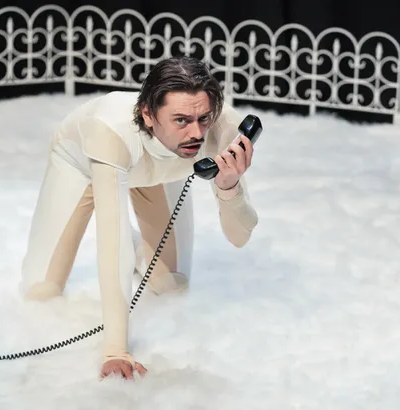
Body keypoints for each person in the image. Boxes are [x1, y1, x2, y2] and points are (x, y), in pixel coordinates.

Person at [19, 56, 259, 380]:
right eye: (181, 120)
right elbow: (111, 242)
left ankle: (141, 246)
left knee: (172, 286)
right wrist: (115, 351)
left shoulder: (219, 126)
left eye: (203, 118)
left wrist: (229, 186)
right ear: (148, 114)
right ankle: (135, 243)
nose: (197, 133)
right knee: (41, 291)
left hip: (158, 173)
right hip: (83, 166)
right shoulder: (109, 130)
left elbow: (239, 237)